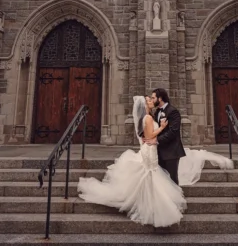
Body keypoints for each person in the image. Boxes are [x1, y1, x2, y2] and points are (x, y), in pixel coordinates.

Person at [76, 95, 186, 227]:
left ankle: (149, 204)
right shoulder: (149, 117)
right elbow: (150, 135)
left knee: (150, 176)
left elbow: (146, 134)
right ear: (145, 105)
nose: (152, 101)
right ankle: (150, 206)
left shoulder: (148, 116)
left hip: (150, 148)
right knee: (150, 175)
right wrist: (162, 127)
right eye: (149, 100)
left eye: (152, 99)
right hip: (149, 149)